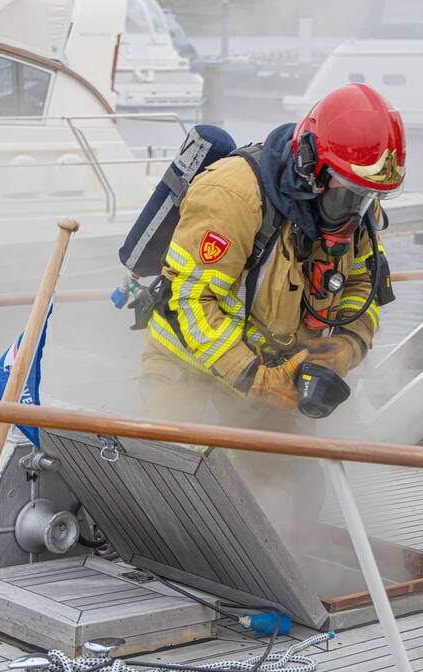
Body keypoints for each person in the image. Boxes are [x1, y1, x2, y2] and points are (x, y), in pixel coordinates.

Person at [137, 84, 404, 522]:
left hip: (268, 374)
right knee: (180, 496)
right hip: (188, 366)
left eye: (368, 197)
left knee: (293, 494)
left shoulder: (358, 203)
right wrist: (256, 378)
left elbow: (364, 284)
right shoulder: (232, 195)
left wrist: (345, 348)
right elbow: (190, 301)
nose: (355, 213)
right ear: (312, 169)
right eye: (347, 195)